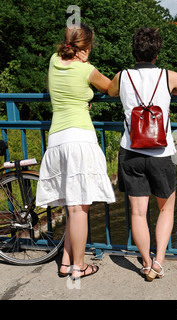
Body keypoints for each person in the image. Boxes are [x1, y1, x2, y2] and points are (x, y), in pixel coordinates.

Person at [108, 27, 177, 282]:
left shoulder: (122, 76)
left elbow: (109, 92)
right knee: (166, 209)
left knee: (138, 212)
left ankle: (145, 262)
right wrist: (173, 91)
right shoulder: (166, 76)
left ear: (134, 51)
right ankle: (159, 261)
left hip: (131, 151)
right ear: (157, 53)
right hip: (161, 152)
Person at [36, 24, 115, 280]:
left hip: (56, 139)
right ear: (86, 47)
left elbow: (51, 87)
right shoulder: (86, 70)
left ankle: (66, 261)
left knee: (72, 203)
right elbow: (111, 88)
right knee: (80, 207)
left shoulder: (52, 60)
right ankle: (79, 267)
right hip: (80, 138)